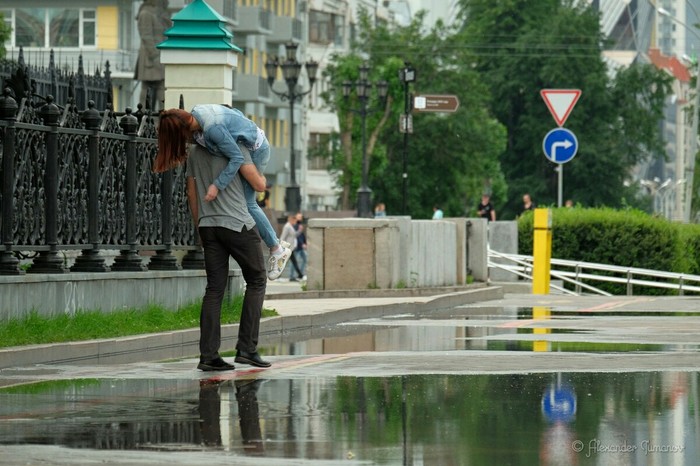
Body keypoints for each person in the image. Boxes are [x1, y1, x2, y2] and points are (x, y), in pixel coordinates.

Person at [155, 106, 292, 280]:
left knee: (248, 203)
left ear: (184, 127)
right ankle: (276, 245)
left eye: (179, 137)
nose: (185, 141)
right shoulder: (197, 117)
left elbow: (237, 158)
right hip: (247, 138)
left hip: (256, 148)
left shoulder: (212, 130)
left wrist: (216, 186)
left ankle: (277, 249)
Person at [184, 142, 271, 370]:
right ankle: (247, 349)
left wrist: (199, 225)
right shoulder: (234, 147)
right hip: (237, 223)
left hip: (208, 225)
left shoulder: (194, 152)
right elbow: (259, 185)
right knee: (257, 280)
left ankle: (208, 356)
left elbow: (191, 191)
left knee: (214, 289)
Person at [135, 0, 171, 111]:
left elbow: (167, 32)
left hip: (160, 55)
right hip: (150, 57)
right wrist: (155, 55)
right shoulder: (146, 13)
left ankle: (163, 117)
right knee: (148, 88)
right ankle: (146, 117)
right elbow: (146, 37)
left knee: (162, 86)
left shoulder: (159, 14)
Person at [279, 213, 304, 281]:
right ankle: (300, 275)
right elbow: (283, 237)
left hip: (290, 248)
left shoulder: (290, 226)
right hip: (287, 248)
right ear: (291, 220)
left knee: (289, 262)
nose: (295, 222)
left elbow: (294, 235)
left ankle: (300, 275)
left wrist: (299, 231)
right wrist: (281, 247)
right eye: (294, 220)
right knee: (289, 262)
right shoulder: (287, 227)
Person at [289, 212, 307, 282]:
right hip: (296, 247)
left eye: (301, 217)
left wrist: (305, 242)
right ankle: (291, 276)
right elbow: (296, 236)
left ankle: (300, 274)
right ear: (296, 217)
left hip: (301, 247)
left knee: (305, 260)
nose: (300, 218)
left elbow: (302, 235)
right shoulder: (294, 225)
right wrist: (302, 243)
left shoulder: (299, 224)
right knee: (294, 262)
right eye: (298, 217)